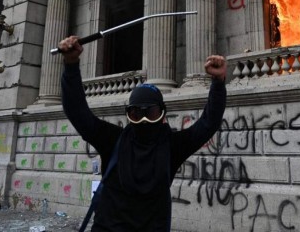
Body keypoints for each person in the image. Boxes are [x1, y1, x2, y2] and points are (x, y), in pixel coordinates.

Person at [58, 35, 227, 231]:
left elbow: (208, 124)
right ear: (128, 115)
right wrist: (71, 64)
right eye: (137, 114)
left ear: (162, 113)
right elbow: (78, 113)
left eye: (151, 113)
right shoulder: (114, 140)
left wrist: (218, 82)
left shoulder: (171, 145)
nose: (145, 120)